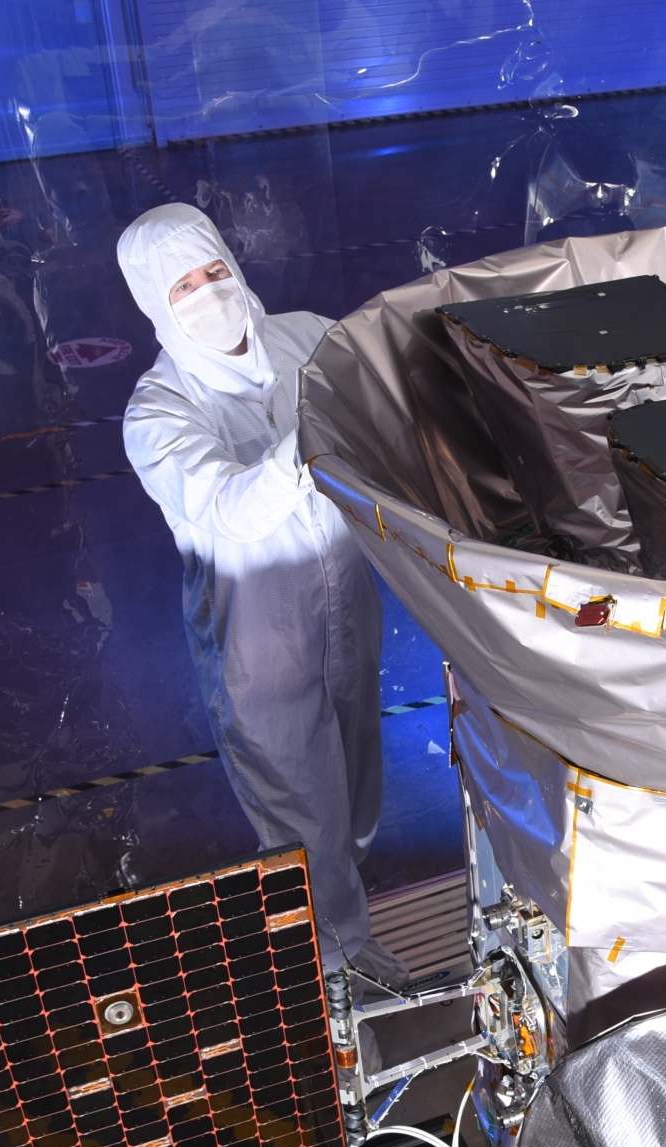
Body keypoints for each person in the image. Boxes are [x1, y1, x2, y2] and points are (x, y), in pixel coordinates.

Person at [117, 203, 406, 986]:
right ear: (154, 303)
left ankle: (354, 932)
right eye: (184, 286)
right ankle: (336, 990)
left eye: (215, 271)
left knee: (357, 780)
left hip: (347, 596)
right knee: (300, 818)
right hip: (260, 637)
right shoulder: (158, 411)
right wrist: (313, 433)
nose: (210, 294)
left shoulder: (304, 335)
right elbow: (230, 507)